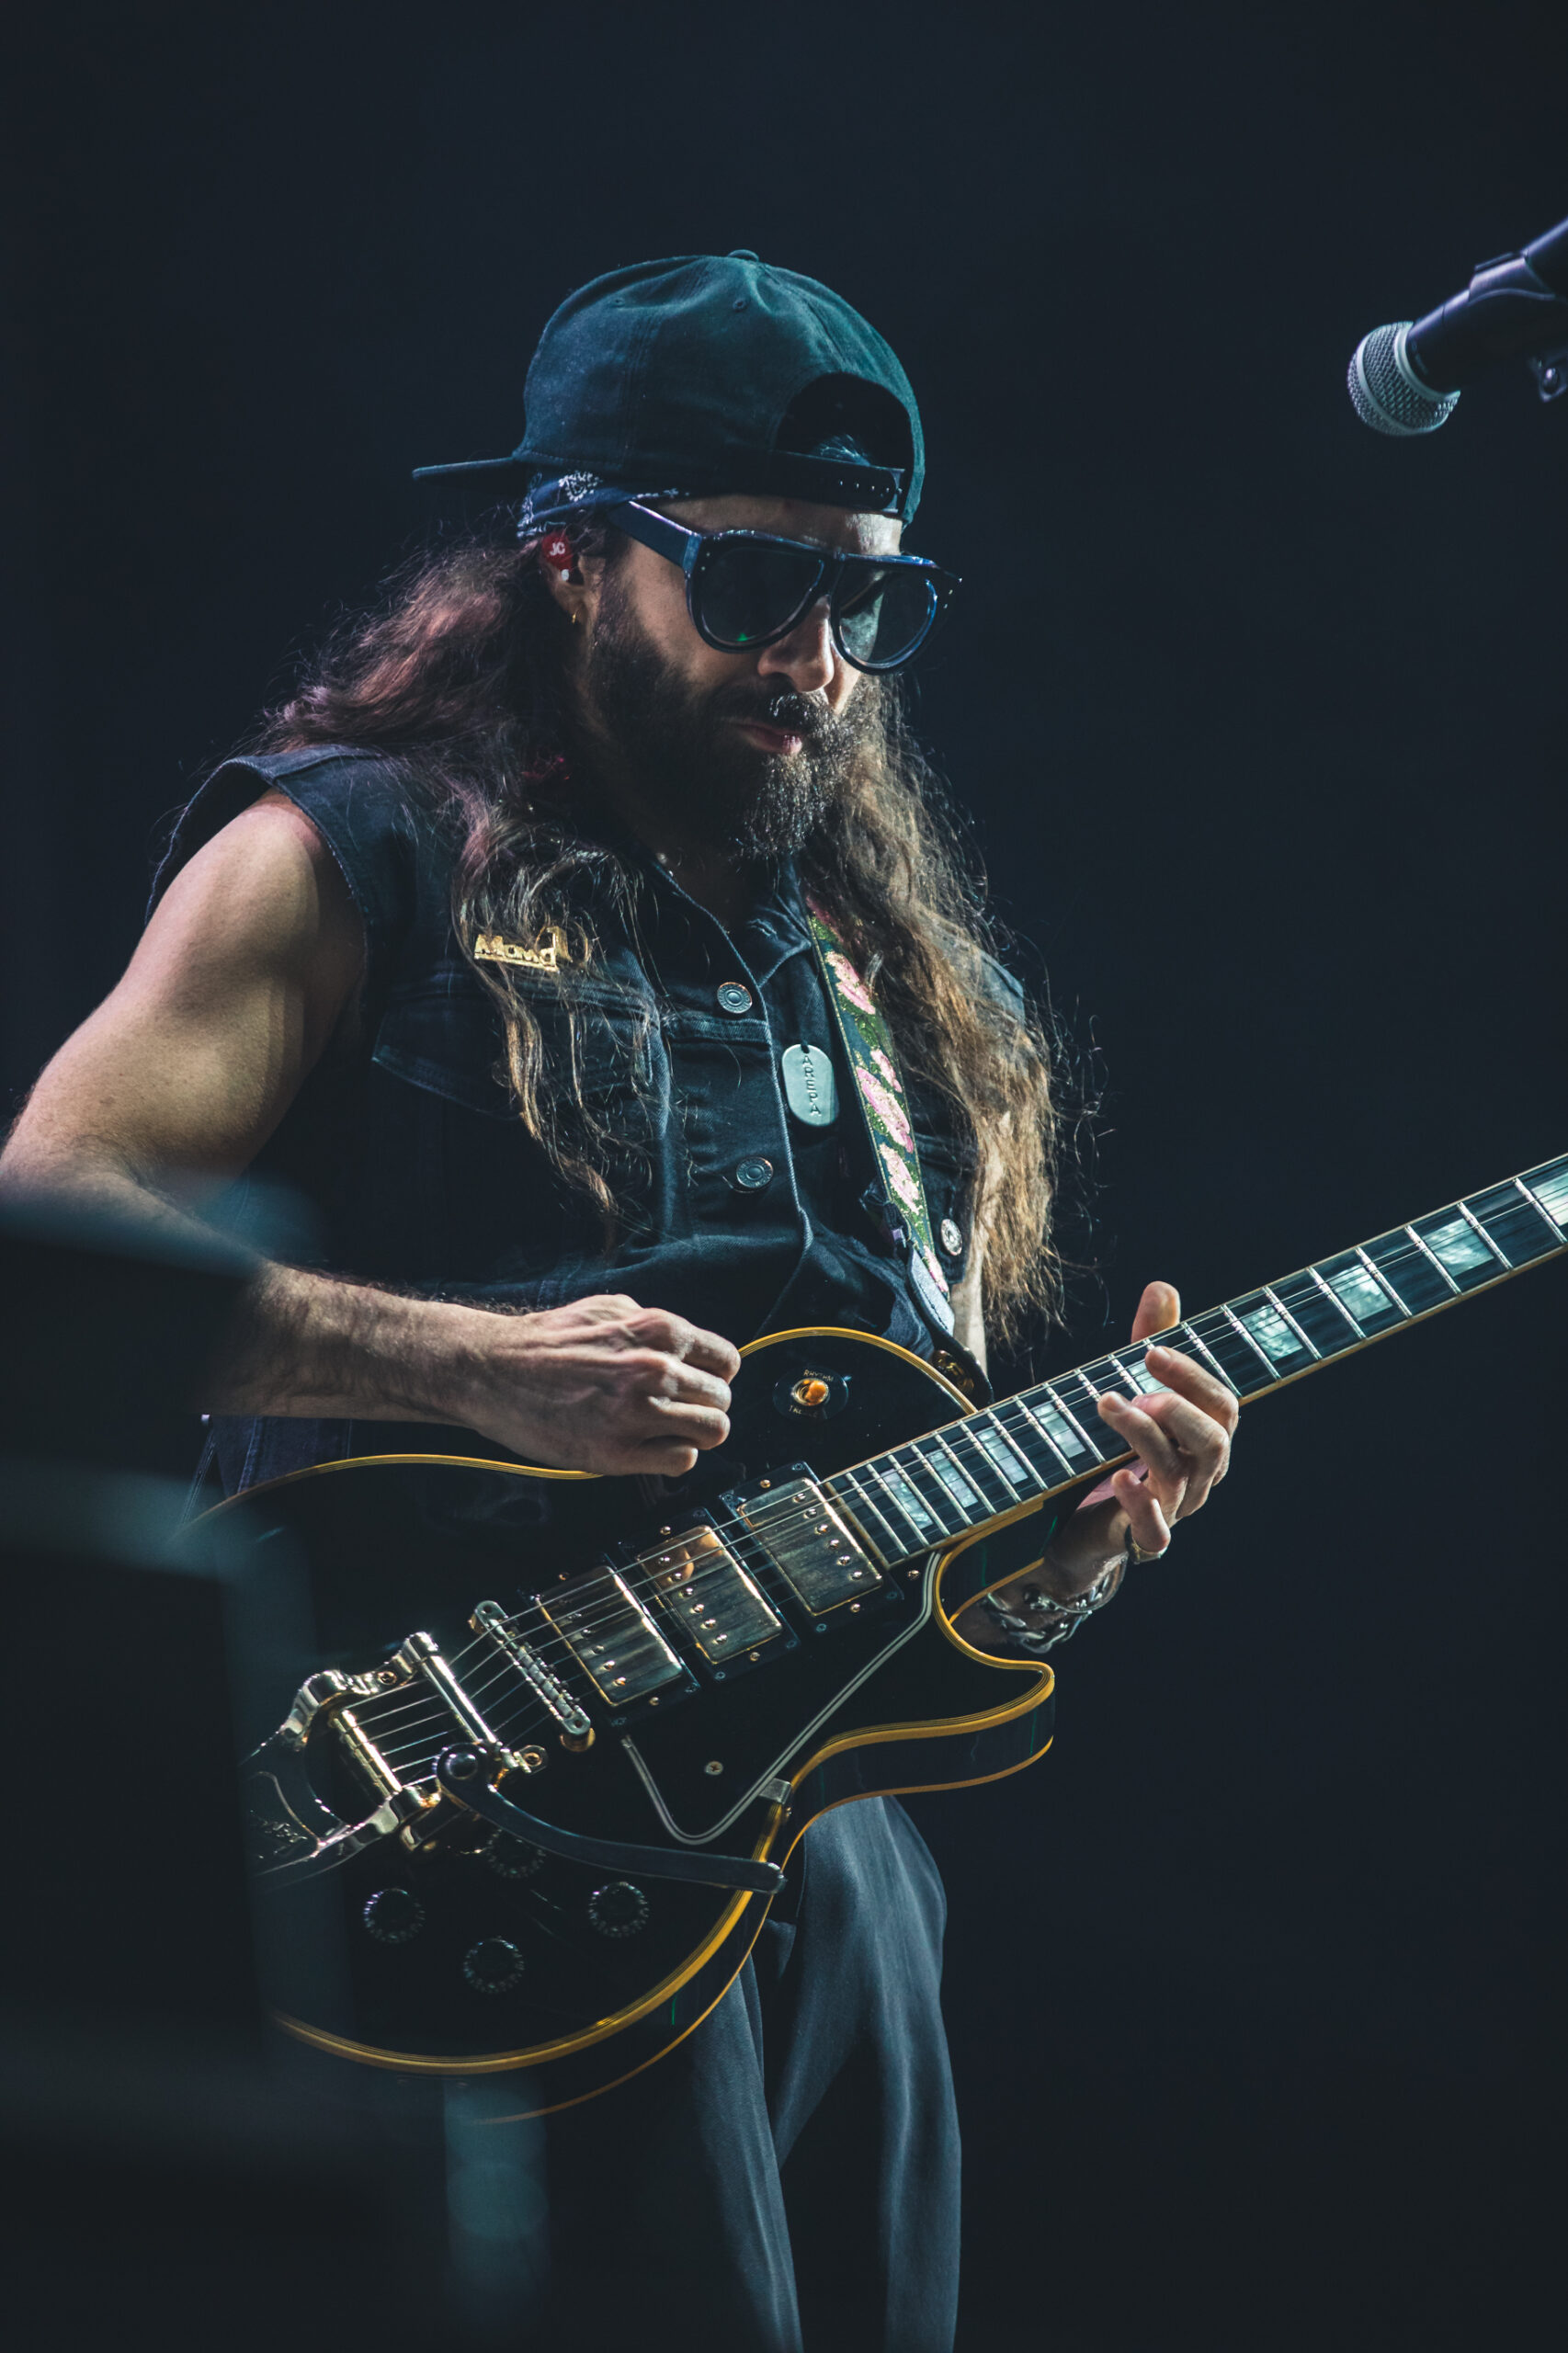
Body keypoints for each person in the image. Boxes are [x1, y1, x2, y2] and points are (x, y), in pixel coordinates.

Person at [0, 251, 1237, 2351]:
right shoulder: (356, 852)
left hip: (816, 1865)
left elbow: (900, 1563)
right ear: (572, 555)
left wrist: (1066, 1557)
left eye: (864, 599)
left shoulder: (921, 1005)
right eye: (753, 584)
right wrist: (465, 1361)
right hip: (428, 1790)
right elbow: (51, 1249)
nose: (814, 656)